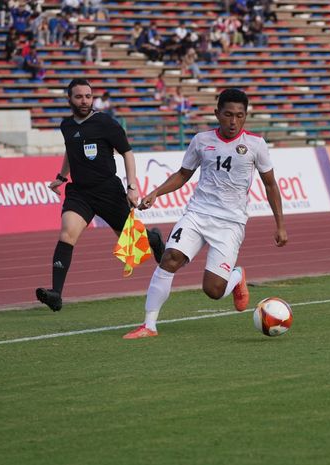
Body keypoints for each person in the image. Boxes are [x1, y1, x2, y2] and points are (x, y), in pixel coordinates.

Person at [123, 88, 288, 339]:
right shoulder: (201, 141)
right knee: (169, 258)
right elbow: (183, 175)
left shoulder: (256, 144)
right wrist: (156, 192)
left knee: (213, 290)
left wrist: (280, 225)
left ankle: (235, 277)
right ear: (217, 114)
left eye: (240, 116)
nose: (233, 121)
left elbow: (270, 184)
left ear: (246, 116)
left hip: (230, 223)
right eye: (228, 114)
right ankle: (149, 325)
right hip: (198, 214)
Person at [36, 78, 165, 312]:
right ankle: (56, 293)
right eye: (78, 96)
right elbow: (70, 151)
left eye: (88, 96)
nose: (84, 101)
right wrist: (62, 176)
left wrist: (132, 186)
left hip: (108, 191)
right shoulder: (66, 125)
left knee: (131, 243)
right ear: (69, 99)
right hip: (80, 193)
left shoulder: (105, 123)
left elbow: (127, 153)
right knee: (67, 233)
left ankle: (154, 239)